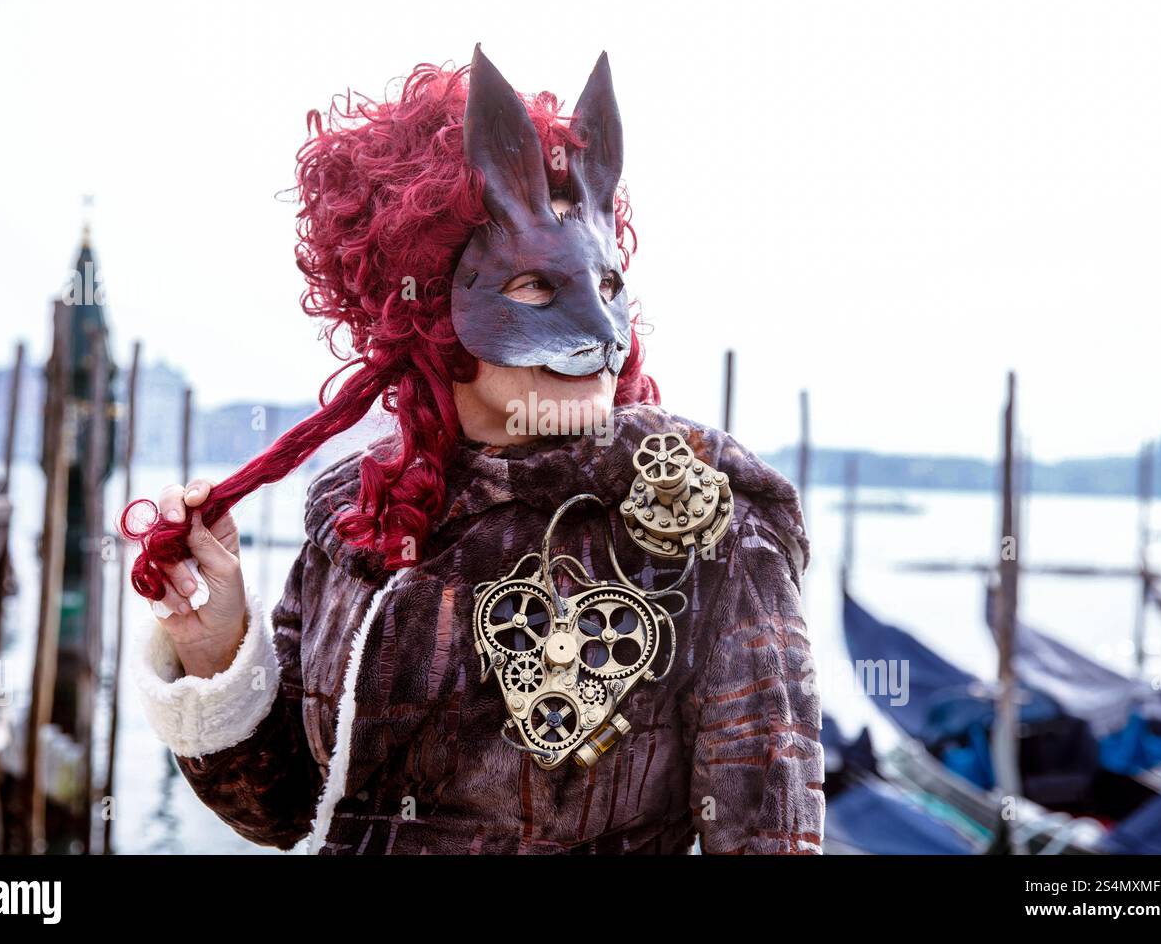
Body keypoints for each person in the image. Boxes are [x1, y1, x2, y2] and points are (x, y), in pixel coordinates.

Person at [129, 47, 823, 854]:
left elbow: (771, 837)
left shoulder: (708, 528)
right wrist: (214, 640)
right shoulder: (354, 520)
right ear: (424, 308)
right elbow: (287, 811)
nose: (599, 334)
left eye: (607, 289)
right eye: (535, 287)